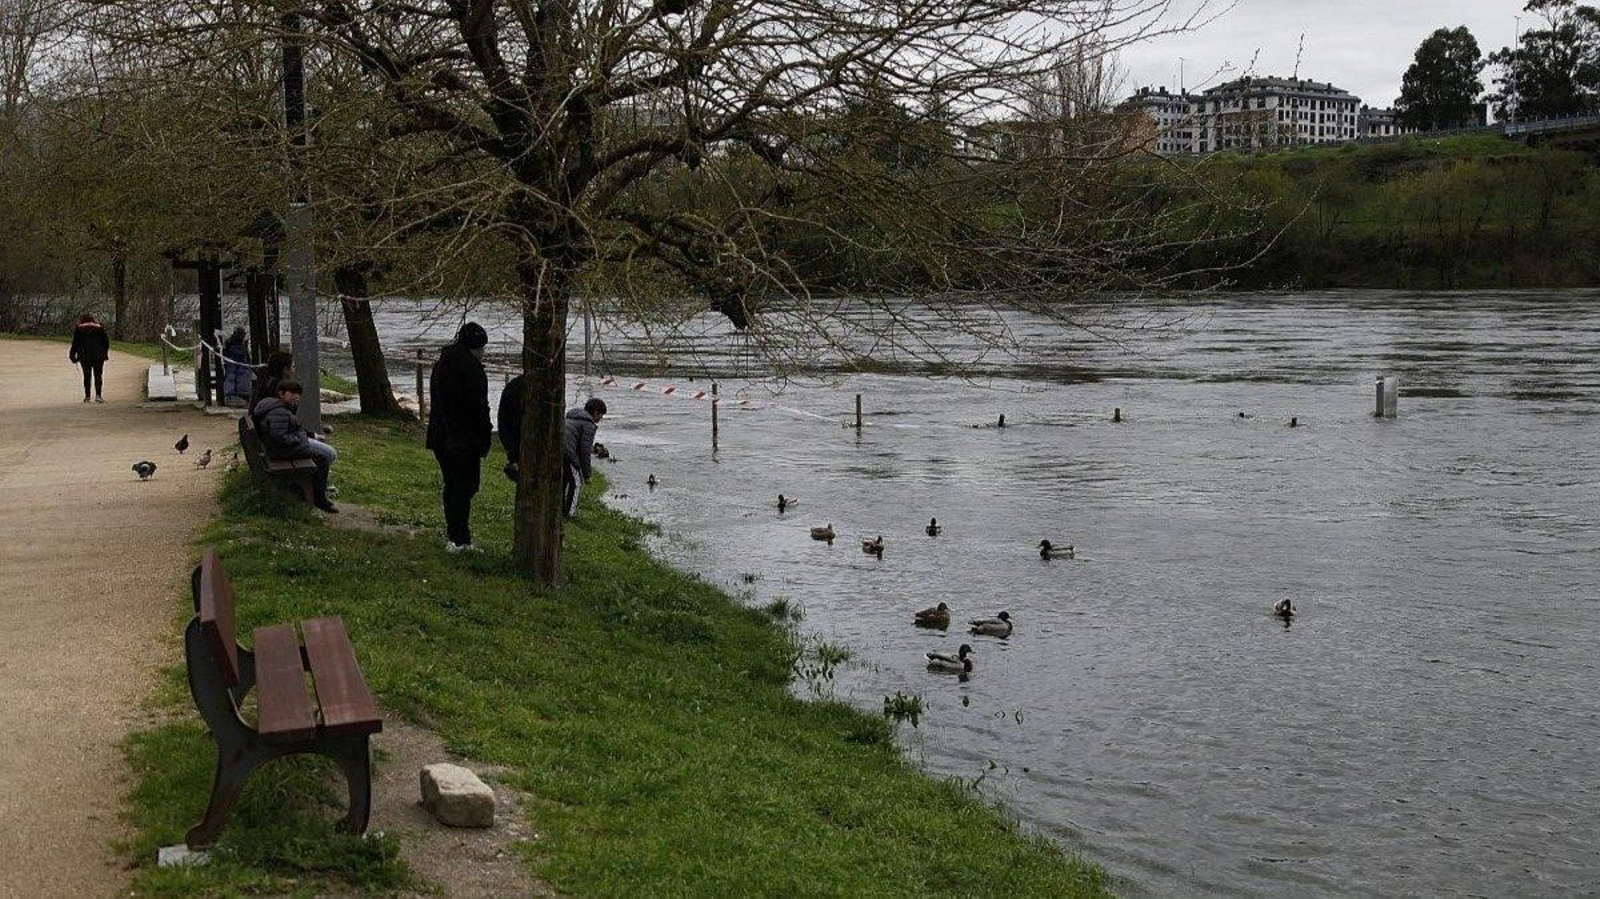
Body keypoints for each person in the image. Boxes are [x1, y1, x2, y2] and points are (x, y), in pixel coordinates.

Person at [426, 323, 492, 551]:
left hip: (440, 436)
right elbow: (478, 408)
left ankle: (454, 534)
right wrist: (485, 435)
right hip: (464, 440)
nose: (483, 352)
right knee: (464, 488)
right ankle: (460, 538)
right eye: (482, 347)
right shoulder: (472, 370)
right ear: (476, 347)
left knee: (452, 485)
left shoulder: (440, 366)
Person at [252, 380, 339, 513]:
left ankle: (317, 492)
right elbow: (278, 436)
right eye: (292, 393)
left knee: (321, 457)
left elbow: (288, 429)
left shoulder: (277, 407)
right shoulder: (279, 412)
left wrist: (307, 436)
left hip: (280, 449)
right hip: (283, 451)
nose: (296, 396)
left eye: (298, 393)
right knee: (322, 459)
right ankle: (320, 499)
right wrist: (298, 440)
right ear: (281, 394)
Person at [563, 398, 606, 518]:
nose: (601, 419)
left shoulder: (572, 417)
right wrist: (587, 475)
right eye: (601, 415)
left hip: (558, 449)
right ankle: (569, 515)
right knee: (576, 483)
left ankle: (560, 509)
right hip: (567, 452)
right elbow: (585, 451)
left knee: (564, 481)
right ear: (596, 413)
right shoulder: (589, 425)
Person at [68, 313, 110, 403]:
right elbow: (106, 342)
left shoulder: (79, 329)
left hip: (84, 356)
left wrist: (72, 355)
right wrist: (105, 353)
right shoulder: (99, 328)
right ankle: (98, 396)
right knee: (98, 375)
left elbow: (75, 343)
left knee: (87, 376)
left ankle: (87, 396)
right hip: (98, 355)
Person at [498, 373, 525, 482]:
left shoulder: (512, 386)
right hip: (518, 444)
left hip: (515, 444)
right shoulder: (515, 387)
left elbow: (503, 423)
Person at [222, 327, 254, 407]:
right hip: (239, 363)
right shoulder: (240, 344)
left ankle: (234, 396)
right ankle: (238, 396)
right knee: (239, 378)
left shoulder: (229, 343)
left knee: (234, 377)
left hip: (235, 363)